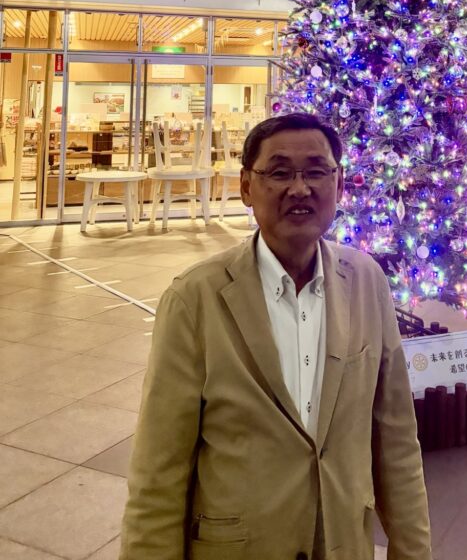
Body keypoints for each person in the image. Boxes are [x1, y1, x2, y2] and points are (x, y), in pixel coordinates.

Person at [120, 112, 432, 560]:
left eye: (316, 172)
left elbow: (397, 441)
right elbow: (159, 471)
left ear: (340, 185)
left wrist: (413, 550)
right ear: (247, 187)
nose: (300, 189)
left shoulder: (367, 282)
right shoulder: (195, 299)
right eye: (280, 173)